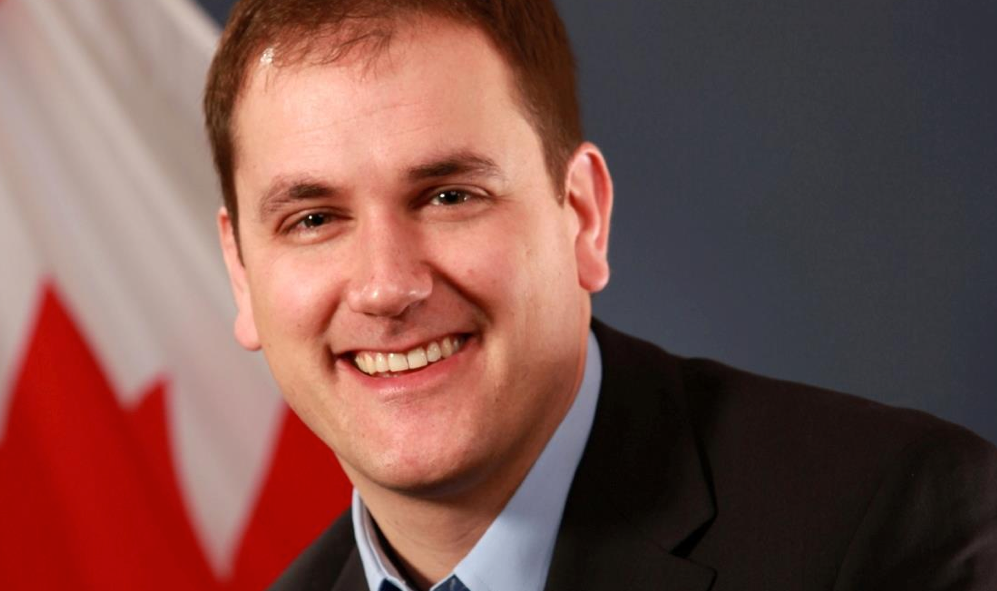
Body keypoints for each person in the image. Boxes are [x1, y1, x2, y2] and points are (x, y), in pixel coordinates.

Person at [203, 1, 997, 589]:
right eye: (313, 219)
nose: (385, 285)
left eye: (449, 196)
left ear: (582, 216)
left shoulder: (888, 525)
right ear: (241, 271)